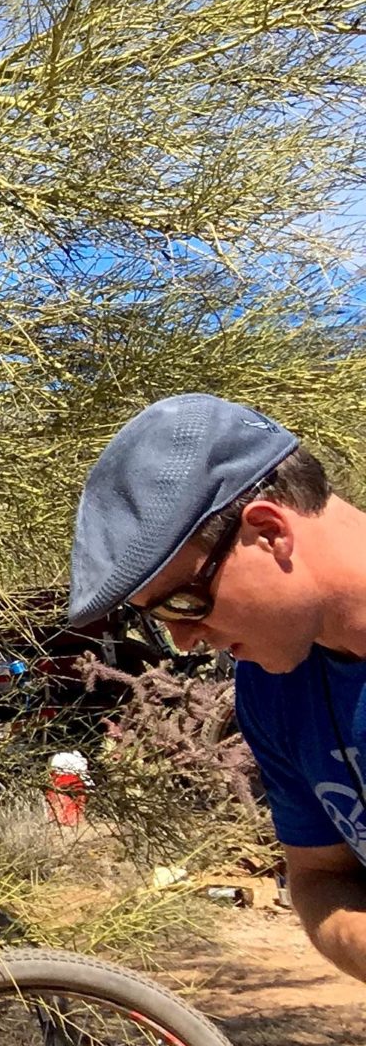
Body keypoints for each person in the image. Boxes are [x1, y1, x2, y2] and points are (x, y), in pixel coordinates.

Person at [68, 393, 366, 984]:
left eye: (183, 602)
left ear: (268, 531)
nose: (182, 640)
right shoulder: (272, 689)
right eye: (156, 618)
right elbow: (320, 875)